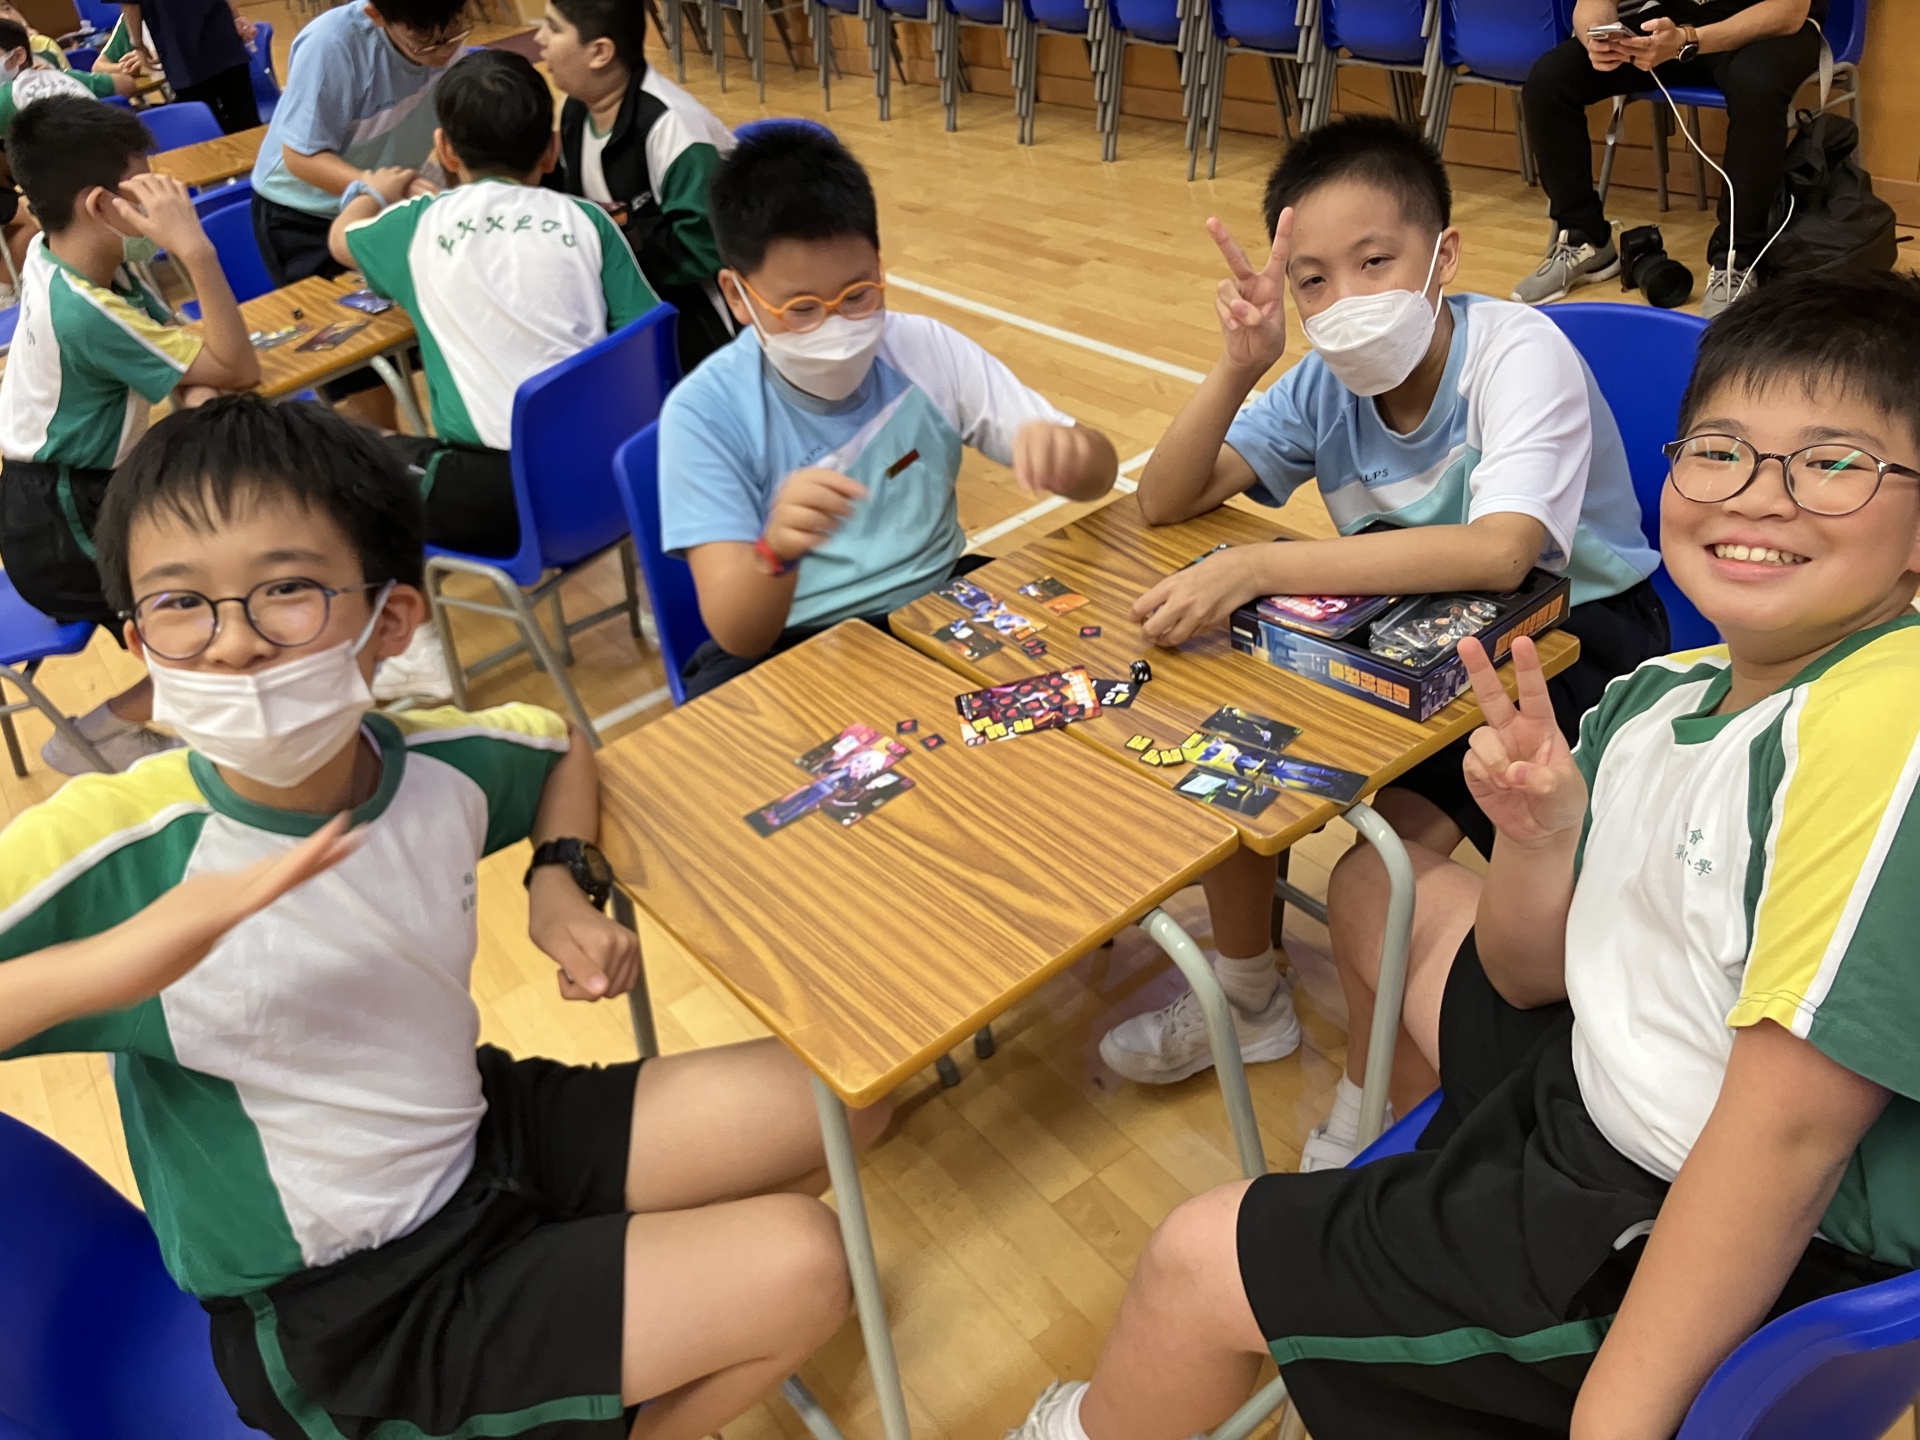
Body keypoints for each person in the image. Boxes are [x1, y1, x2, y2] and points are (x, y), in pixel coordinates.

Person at [1004, 265, 1920, 1440]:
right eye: (1720, 450)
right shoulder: (1661, 693)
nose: (1760, 496)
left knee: (1196, 1260)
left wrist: (1615, 1425)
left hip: (1702, 1222)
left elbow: (1785, 1143)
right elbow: (1528, 974)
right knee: (1381, 890)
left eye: (1835, 464)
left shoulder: (1886, 722)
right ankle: (1421, 1194)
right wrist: (1540, 838)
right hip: (1613, 1070)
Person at [3, 394, 891, 1440]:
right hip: (350, 1306)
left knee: (846, 1103)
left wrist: (557, 877)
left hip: (476, 1131)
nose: (232, 644)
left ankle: (577, 1318)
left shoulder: (432, 765)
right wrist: (117, 962)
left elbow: (560, 744)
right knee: (804, 1266)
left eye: (286, 591)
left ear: (391, 621)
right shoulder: (111, 847)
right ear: (136, 638)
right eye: (180, 604)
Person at [1097, 116, 1666, 1125]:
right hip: (1410, 629)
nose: (1346, 303)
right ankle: (1247, 995)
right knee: (1234, 743)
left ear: (1443, 256)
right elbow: (1164, 500)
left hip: (1570, 637)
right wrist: (1239, 365)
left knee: (1385, 864)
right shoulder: (1322, 384)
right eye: (1312, 280)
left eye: (1375, 262)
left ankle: (1370, 1097)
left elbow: (1501, 553)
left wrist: (1260, 563)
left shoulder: (1517, 352)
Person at [658, 126, 1119, 699]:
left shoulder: (925, 348)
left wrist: (1074, 456)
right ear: (737, 296)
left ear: (878, 265)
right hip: (796, 645)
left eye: (858, 295)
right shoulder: (703, 414)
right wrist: (775, 552)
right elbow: (740, 634)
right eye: (801, 309)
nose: (836, 327)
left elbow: (1100, 475)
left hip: (939, 602)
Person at [326, 48, 660, 703]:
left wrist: (372, 192)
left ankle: (419, 652)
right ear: (550, 150)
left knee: (341, 466)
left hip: (505, 506)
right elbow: (645, 342)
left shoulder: (417, 228)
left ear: (445, 150)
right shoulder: (589, 223)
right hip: (618, 482)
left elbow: (342, 240)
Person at [0, 94, 257, 773]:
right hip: (61, 523)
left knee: (228, 573)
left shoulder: (65, 257)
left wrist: (201, 379)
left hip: (71, 497)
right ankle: (91, 736)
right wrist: (195, 249)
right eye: (144, 193)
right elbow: (239, 366)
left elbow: (192, 355)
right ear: (100, 204)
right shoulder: (86, 308)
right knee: (209, 615)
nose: (161, 207)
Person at [1514, 0, 1824, 317]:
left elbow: (1788, 13)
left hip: (1766, 31)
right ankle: (1585, 238)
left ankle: (1738, 257)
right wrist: (1597, 38)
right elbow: (1594, 4)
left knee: (1757, 85)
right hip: (1678, 27)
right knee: (1550, 79)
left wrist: (1688, 39)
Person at [247, 0, 467, 423]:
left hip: (388, 197)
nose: (443, 52)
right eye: (425, 43)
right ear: (377, 15)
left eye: (454, 34)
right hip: (304, 213)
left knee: (415, 334)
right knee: (362, 367)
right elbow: (300, 157)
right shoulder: (332, 45)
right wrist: (372, 187)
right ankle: (379, 454)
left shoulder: (440, 23)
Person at [538, 0, 737, 375]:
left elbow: (706, 245)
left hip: (698, 321)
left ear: (600, 52)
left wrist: (616, 237)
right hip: (626, 304)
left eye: (554, 27)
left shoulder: (674, 127)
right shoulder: (575, 109)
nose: (539, 38)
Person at [113, 0, 261, 135]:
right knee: (245, 120)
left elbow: (130, 4)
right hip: (221, 36)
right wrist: (235, 17)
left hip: (181, 50)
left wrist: (137, 43)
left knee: (207, 132)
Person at [0, 16, 135, 135]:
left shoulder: (8, 94)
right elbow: (127, 83)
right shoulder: (60, 77)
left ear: (18, 56)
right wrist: (59, 74)